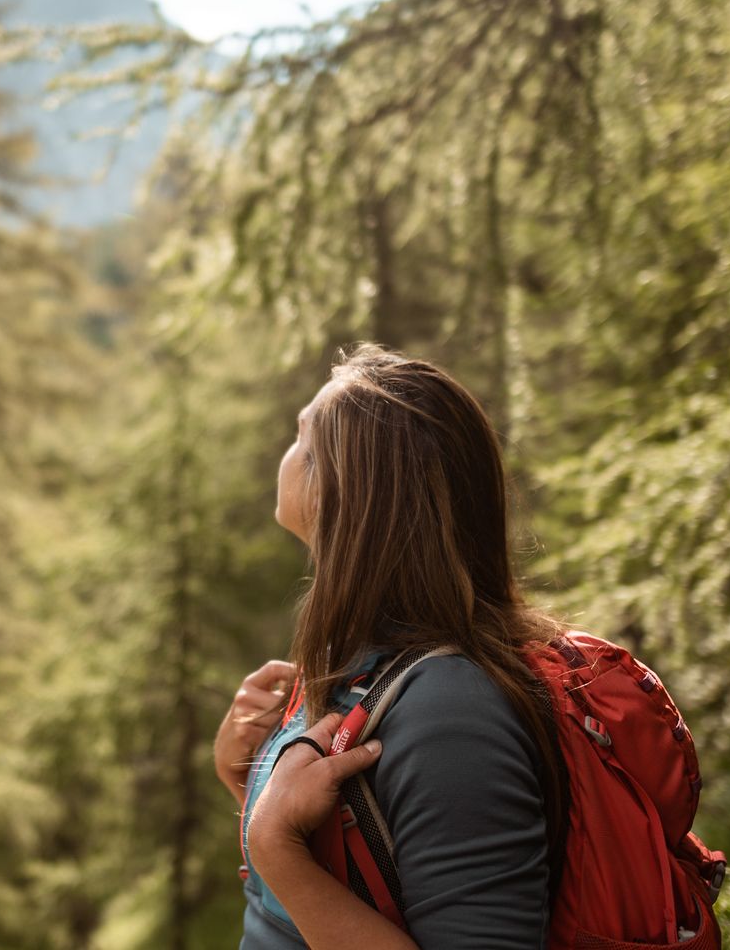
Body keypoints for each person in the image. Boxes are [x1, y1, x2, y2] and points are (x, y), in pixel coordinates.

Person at [216, 344, 569, 950]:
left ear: (341, 494)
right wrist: (247, 782)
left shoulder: (450, 714)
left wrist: (276, 848)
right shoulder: (361, 664)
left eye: (301, 439)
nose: (287, 453)